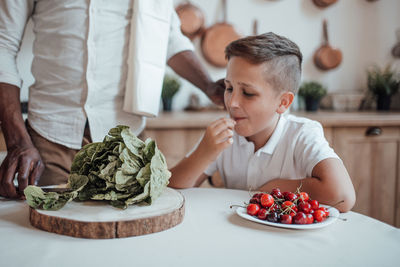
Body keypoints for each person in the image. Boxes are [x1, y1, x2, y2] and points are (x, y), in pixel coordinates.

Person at [0, 0, 225, 199]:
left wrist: (209, 86)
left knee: (127, 237)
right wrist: (17, 142)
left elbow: (169, 39)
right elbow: (3, 46)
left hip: (127, 142)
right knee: (50, 234)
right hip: (50, 140)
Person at [169, 32, 356, 212]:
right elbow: (173, 188)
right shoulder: (222, 135)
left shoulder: (302, 134)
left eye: (248, 93)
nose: (232, 103)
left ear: (283, 102)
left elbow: (343, 196)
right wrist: (204, 152)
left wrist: (273, 188)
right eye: (229, 88)